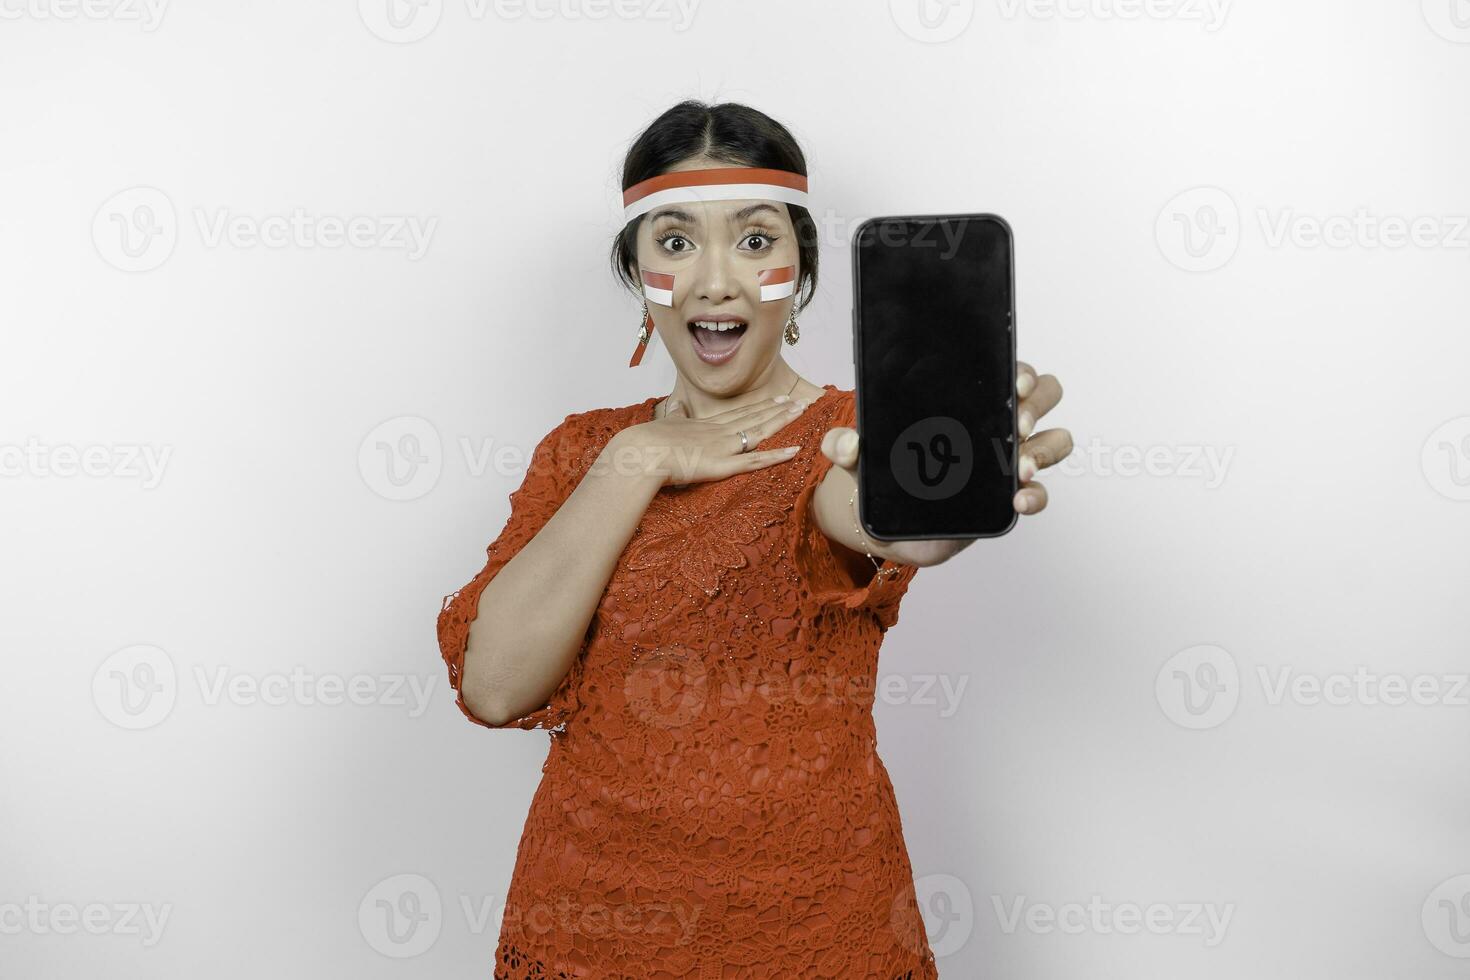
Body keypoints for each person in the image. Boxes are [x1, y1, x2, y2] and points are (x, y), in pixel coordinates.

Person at [436, 100, 1071, 979]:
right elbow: (497, 685)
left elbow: (874, 515)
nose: (715, 281)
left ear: (802, 265)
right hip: (590, 927)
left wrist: (939, 497)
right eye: (674, 241)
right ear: (635, 269)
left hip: (815, 929)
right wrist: (639, 456)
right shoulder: (584, 451)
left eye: (756, 238)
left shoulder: (846, 431)